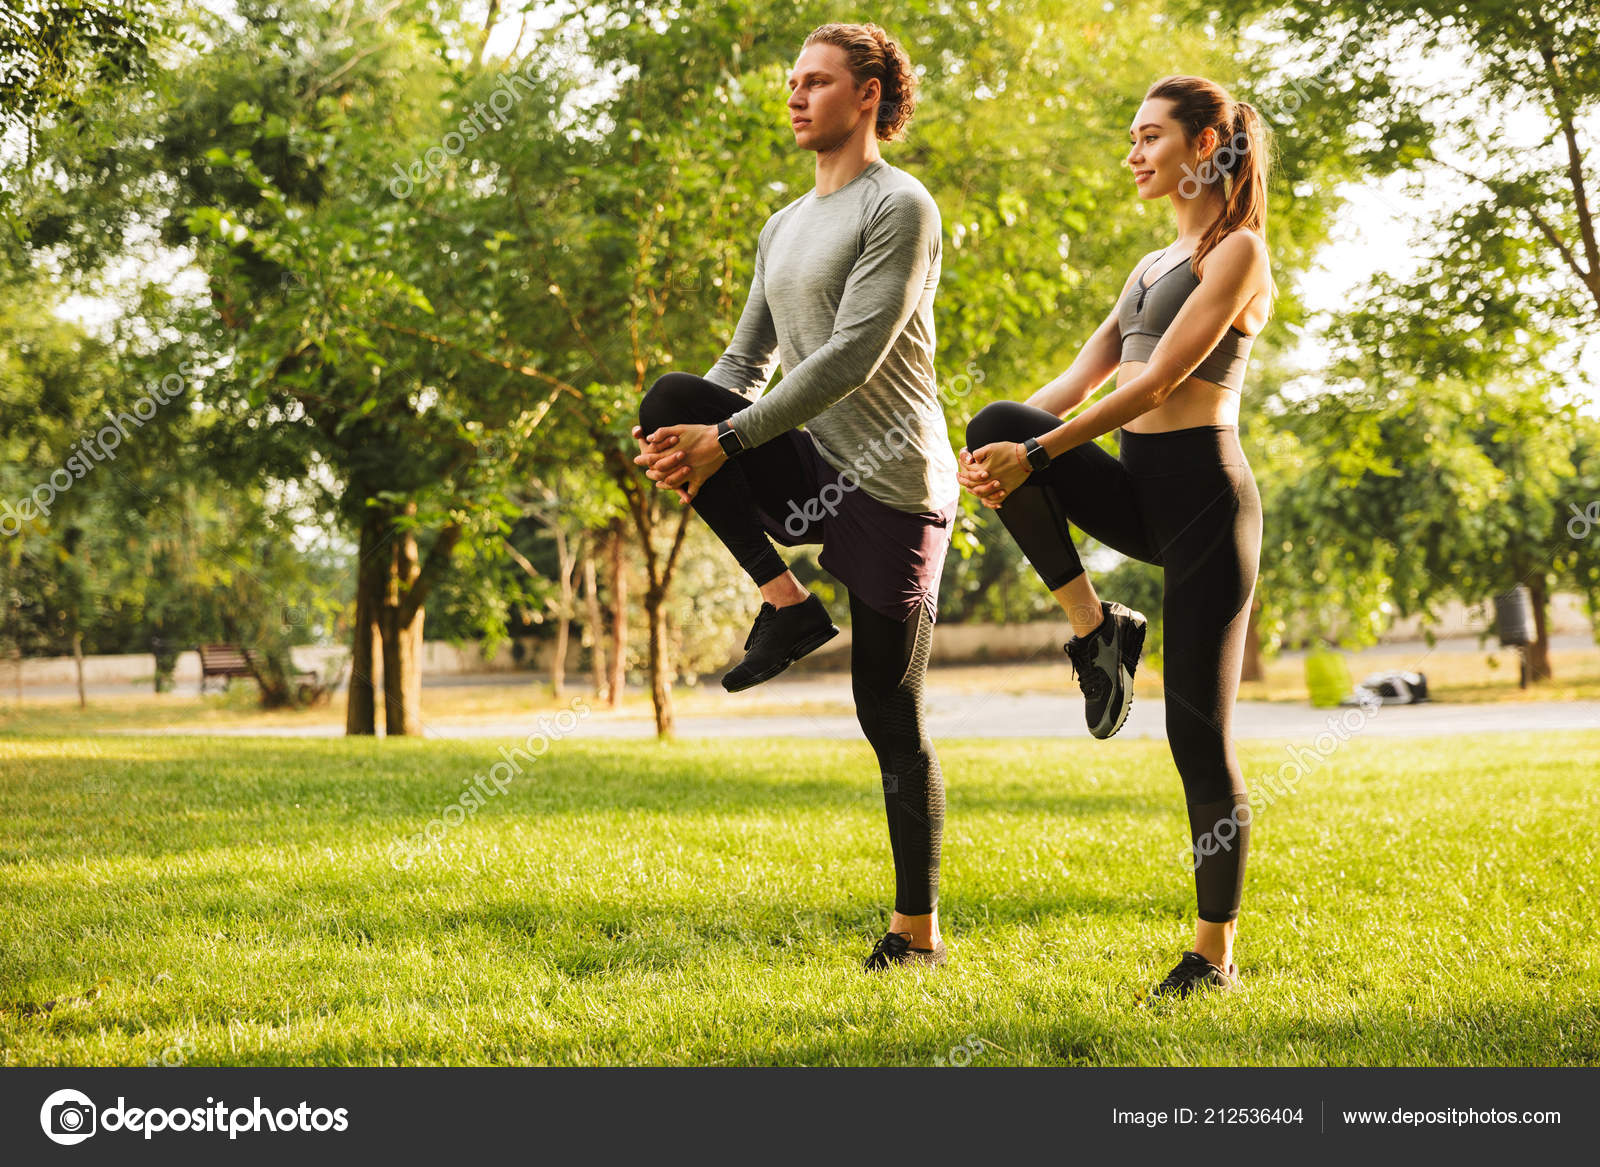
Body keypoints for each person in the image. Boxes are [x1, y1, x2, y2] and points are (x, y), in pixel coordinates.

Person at [633, 22, 958, 971]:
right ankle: (785, 603)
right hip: (809, 462)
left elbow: (853, 358)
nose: (796, 94)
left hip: (896, 482)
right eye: (791, 81)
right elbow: (744, 363)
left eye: (816, 81)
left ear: (869, 96)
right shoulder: (782, 224)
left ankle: (917, 934)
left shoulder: (901, 206)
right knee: (671, 399)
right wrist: (691, 436)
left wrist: (726, 439)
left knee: (888, 715)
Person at [959, 75, 1277, 1001]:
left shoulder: (1239, 253)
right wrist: (985, 458)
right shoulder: (1146, 266)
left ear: (1207, 143)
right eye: (1130, 138)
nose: (1133, 154)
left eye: (1149, 137)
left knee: (1197, 735)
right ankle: (1097, 627)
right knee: (994, 418)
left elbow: (1155, 383)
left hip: (1207, 503)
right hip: (1135, 486)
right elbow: (1076, 380)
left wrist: (1038, 451)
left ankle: (1213, 952)